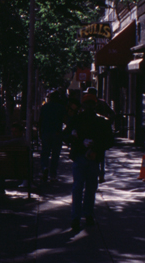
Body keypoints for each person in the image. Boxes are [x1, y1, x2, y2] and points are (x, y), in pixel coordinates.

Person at [65, 96, 113, 234]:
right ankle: (87, 215)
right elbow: (109, 141)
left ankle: (78, 217)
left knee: (79, 187)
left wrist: (75, 139)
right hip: (91, 157)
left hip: (83, 157)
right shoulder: (100, 121)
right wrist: (96, 148)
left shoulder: (78, 120)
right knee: (89, 188)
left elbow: (65, 135)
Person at [83, 88, 116, 181]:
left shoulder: (95, 103)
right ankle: (100, 174)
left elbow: (112, 114)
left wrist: (107, 123)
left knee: (91, 153)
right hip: (100, 132)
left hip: (92, 131)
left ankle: (95, 173)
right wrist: (108, 123)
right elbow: (112, 114)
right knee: (100, 154)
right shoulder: (101, 102)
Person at [38, 89, 67, 184]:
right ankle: (53, 174)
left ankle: (44, 168)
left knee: (45, 152)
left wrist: (40, 132)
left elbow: (40, 120)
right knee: (55, 154)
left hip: (46, 132)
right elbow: (65, 120)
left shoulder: (45, 107)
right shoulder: (61, 108)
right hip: (57, 133)